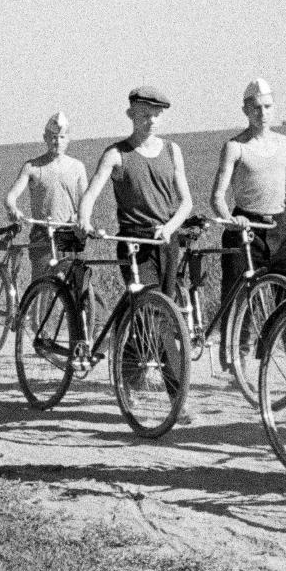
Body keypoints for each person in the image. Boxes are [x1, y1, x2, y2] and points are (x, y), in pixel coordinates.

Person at [78, 86, 195, 417]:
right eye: (144, 114)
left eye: (156, 114)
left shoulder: (173, 151)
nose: (151, 120)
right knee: (155, 317)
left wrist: (170, 227)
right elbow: (92, 192)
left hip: (167, 241)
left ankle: (129, 372)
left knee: (161, 317)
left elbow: (186, 202)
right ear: (131, 114)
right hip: (134, 245)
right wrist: (84, 219)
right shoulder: (117, 154)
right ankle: (177, 398)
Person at [210, 78, 286, 306]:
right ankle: (238, 343)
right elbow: (216, 197)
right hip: (247, 230)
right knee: (239, 304)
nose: (262, 113)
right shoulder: (235, 147)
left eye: (267, 107)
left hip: (282, 229)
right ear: (245, 110)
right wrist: (231, 221)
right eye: (256, 107)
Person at [5, 111, 89, 285]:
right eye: (52, 137)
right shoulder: (32, 167)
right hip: (43, 234)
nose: (57, 141)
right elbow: (11, 196)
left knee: (76, 287)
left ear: (68, 139)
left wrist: (81, 217)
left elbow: (86, 201)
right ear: (45, 138)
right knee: (42, 287)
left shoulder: (78, 167)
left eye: (61, 137)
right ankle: (36, 311)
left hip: (70, 233)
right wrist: (13, 208)